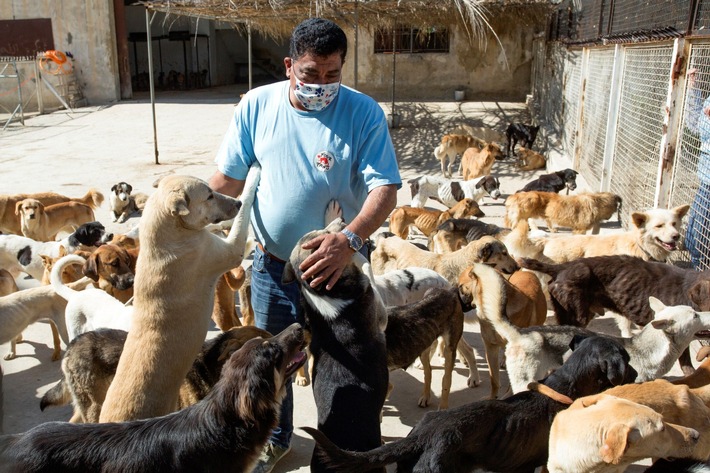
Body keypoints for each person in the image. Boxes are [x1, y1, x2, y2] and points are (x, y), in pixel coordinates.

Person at [209, 17, 401, 473]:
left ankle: (344, 455)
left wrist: (349, 240)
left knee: (346, 372)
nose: (322, 84)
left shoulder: (363, 113)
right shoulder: (256, 106)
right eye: (311, 74)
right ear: (290, 65)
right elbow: (227, 181)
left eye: (332, 75)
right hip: (274, 268)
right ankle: (275, 440)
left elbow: (385, 189)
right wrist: (184, 211)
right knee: (271, 361)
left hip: (337, 274)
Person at [684, 68, 710, 270]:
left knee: (700, 221)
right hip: (705, 175)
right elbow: (694, 124)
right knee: (696, 220)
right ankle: (695, 262)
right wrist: (693, 89)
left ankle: (697, 265)